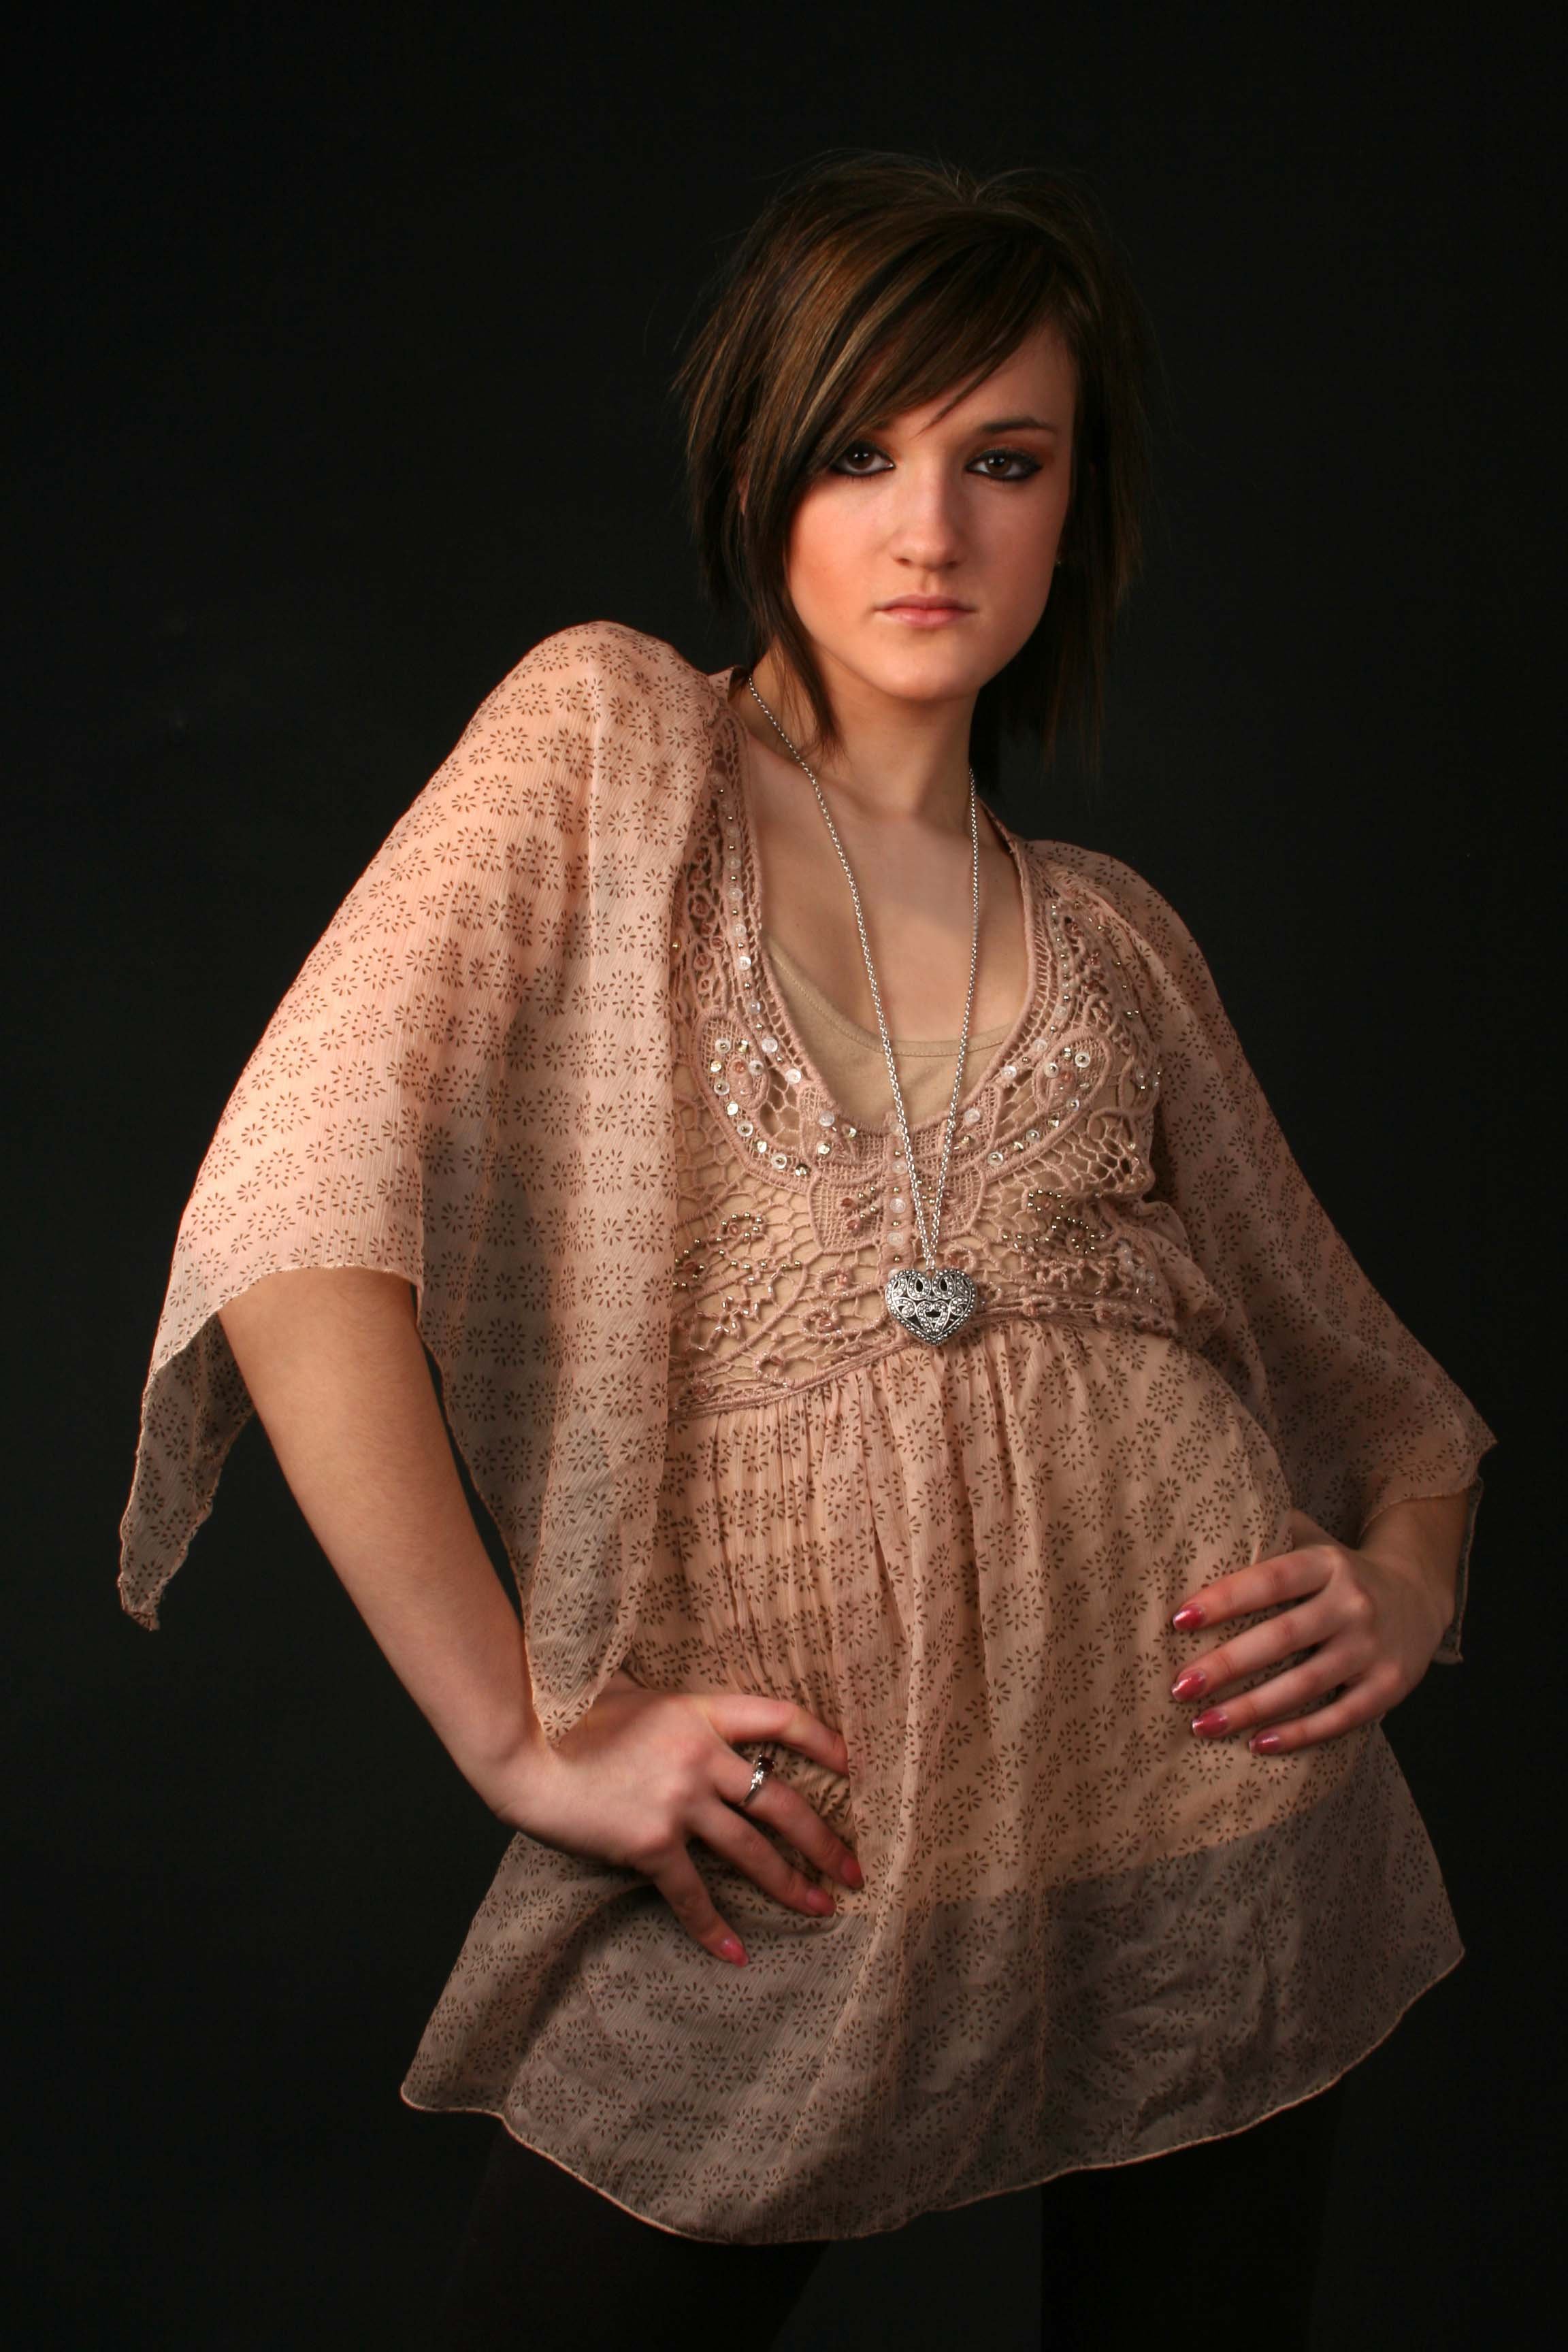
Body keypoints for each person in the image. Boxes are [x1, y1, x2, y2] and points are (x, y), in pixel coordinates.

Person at [118, 151, 1497, 2348]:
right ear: (763, 468)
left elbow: (1391, 1411)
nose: (931, 527)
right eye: (863, 452)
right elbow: (291, 1206)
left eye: (1004, 460)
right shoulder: (609, 746)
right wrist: (517, 1735)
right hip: (797, 1851)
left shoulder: (1120, 939)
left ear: (1075, 506)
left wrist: (1405, 1589)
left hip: (1218, 1838)